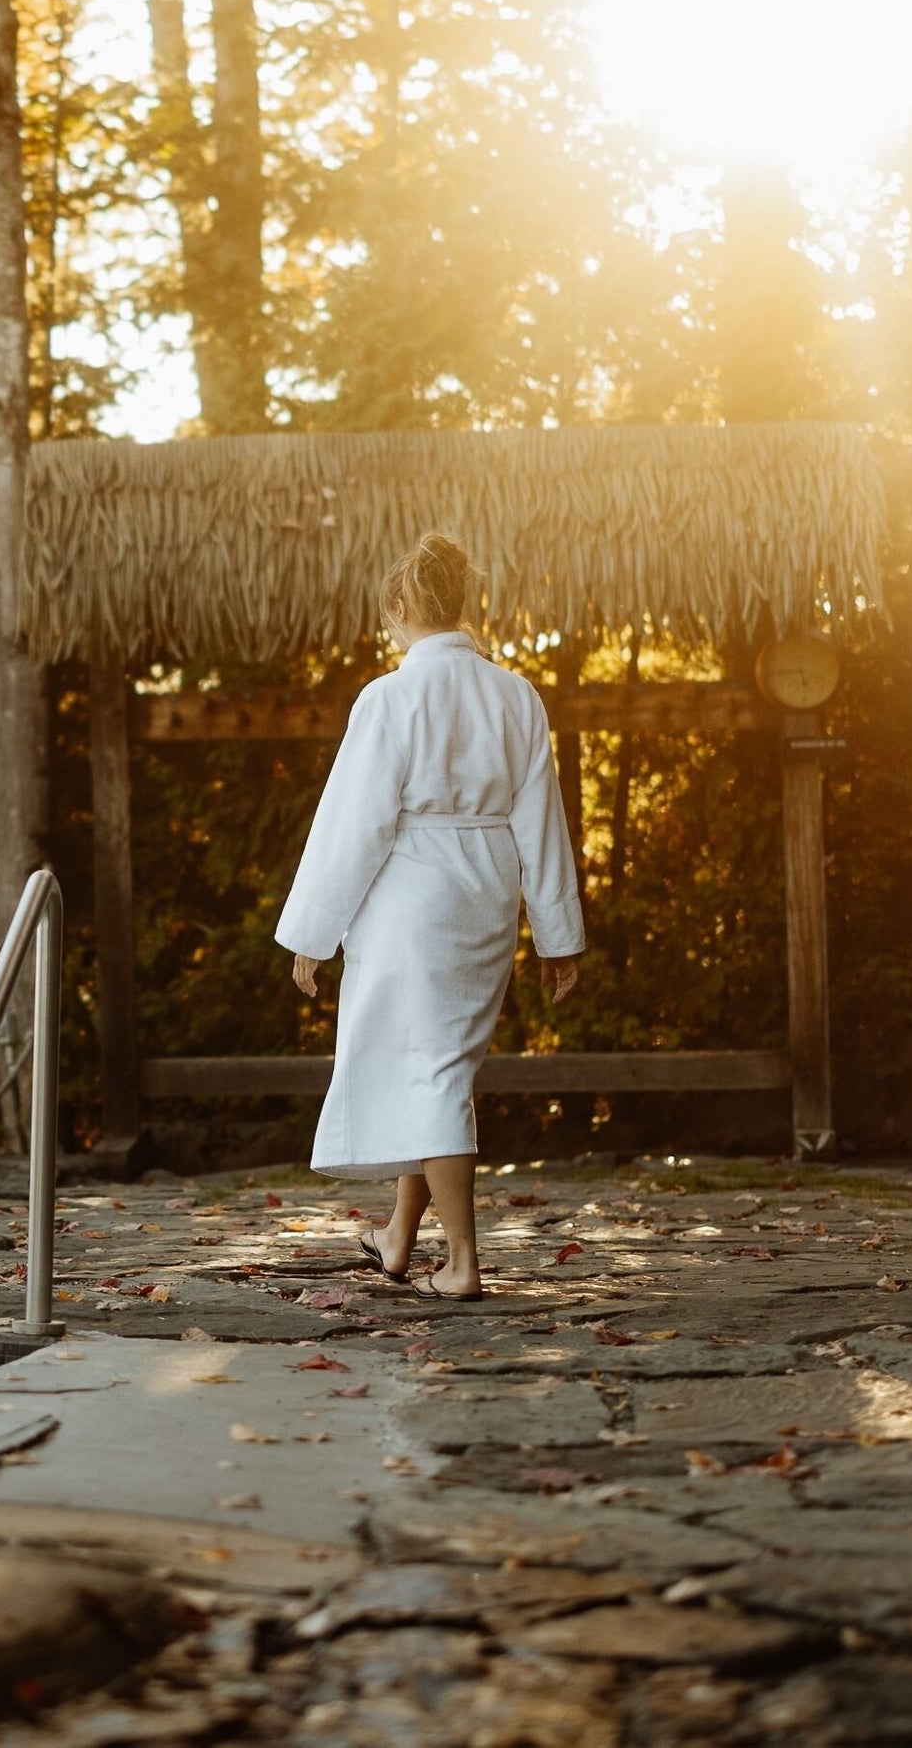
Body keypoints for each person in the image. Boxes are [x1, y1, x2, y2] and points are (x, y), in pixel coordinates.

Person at [277, 533, 586, 1298]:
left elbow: (355, 821)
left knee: (436, 1067)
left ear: (404, 607)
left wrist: (314, 932)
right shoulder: (516, 694)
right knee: (438, 1061)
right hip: (484, 891)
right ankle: (398, 1235)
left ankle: (464, 1262)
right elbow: (541, 822)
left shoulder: (389, 696)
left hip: (410, 891)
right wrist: (556, 933)